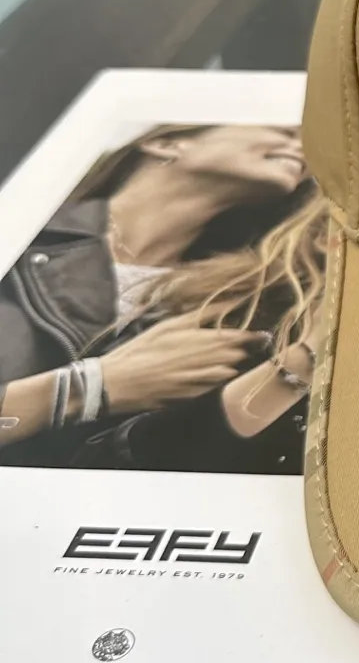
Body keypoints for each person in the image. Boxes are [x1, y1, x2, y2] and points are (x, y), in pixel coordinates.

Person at [0, 125, 327, 474]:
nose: (303, 146)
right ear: (165, 141)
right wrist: (90, 387)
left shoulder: (235, 302)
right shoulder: (18, 229)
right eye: (283, 131)